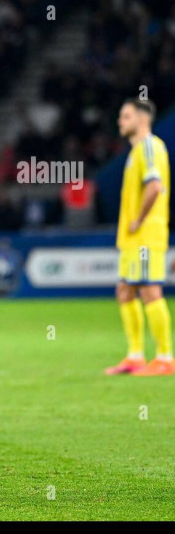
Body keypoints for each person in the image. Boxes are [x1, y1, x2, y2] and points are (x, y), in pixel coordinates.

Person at [105, 98, 173, 376]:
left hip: (146, 235)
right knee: (125, 290)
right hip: (133, 239)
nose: (120, 121)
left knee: (149, 291)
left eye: (126, 116)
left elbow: (155, 187)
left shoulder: (148, 147)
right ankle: (135, 356)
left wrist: (138, 220)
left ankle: (165, 357)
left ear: (142, 119)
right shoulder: (135, 152)